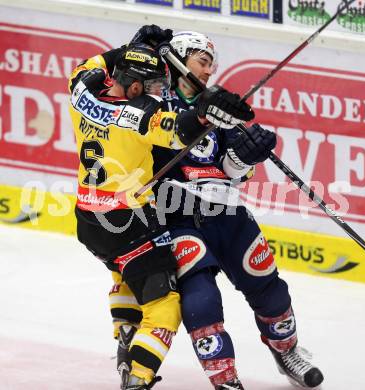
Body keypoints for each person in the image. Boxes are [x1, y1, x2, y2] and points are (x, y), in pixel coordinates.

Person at [109, 27, 324, 390]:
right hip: (176, 217)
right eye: (202, 61)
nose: (209, 71)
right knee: (201, 299)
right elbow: (123, 111)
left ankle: (286, 350)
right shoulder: (151, 103)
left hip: (227, 212)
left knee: (270, 290)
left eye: (212, 64)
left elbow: (232, 172)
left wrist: (243, 156)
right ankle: (225, 379)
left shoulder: (218, 105)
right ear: (179, 60)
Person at [68, 40, 255, 390]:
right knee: (165, 306)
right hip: (128, 223)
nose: (160, 93)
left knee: (123, 269)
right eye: (155, 87)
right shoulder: (141, 117)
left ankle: (124, 328)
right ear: (136, 87)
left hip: (88, 219)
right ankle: (138, 379)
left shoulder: (82, 90)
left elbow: (92, 63)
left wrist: (133, 46)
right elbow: (183, 129)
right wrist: (208, 110)